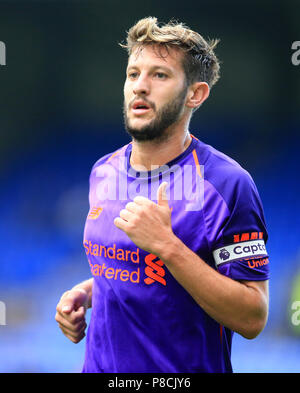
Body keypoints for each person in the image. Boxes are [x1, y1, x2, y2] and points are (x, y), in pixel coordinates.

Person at [55, 17, 270, 373]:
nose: (140, 86)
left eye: (159, 75)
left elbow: (252, 317)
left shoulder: (228, 184)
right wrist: (87, 293)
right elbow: (136, 269)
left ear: (195, 94)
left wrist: (168, 247)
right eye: (133, 73)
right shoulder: (103, 171)